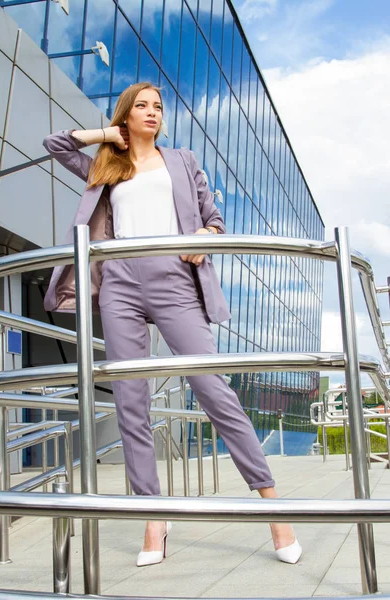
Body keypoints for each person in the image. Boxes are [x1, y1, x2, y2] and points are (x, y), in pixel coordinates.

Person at [43, 82, 302, 567]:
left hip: (174, 279)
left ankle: (276, 510)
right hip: (119, 282)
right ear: (125, 115)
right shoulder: (106, 166)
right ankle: (154, 519)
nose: (152, 112)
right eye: (141, 105)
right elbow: (55, 144)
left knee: (212, 388)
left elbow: (215, 219)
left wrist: (205, 233)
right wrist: (108, 134)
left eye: (158, 106)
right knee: (131, 403)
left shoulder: (181, 160)